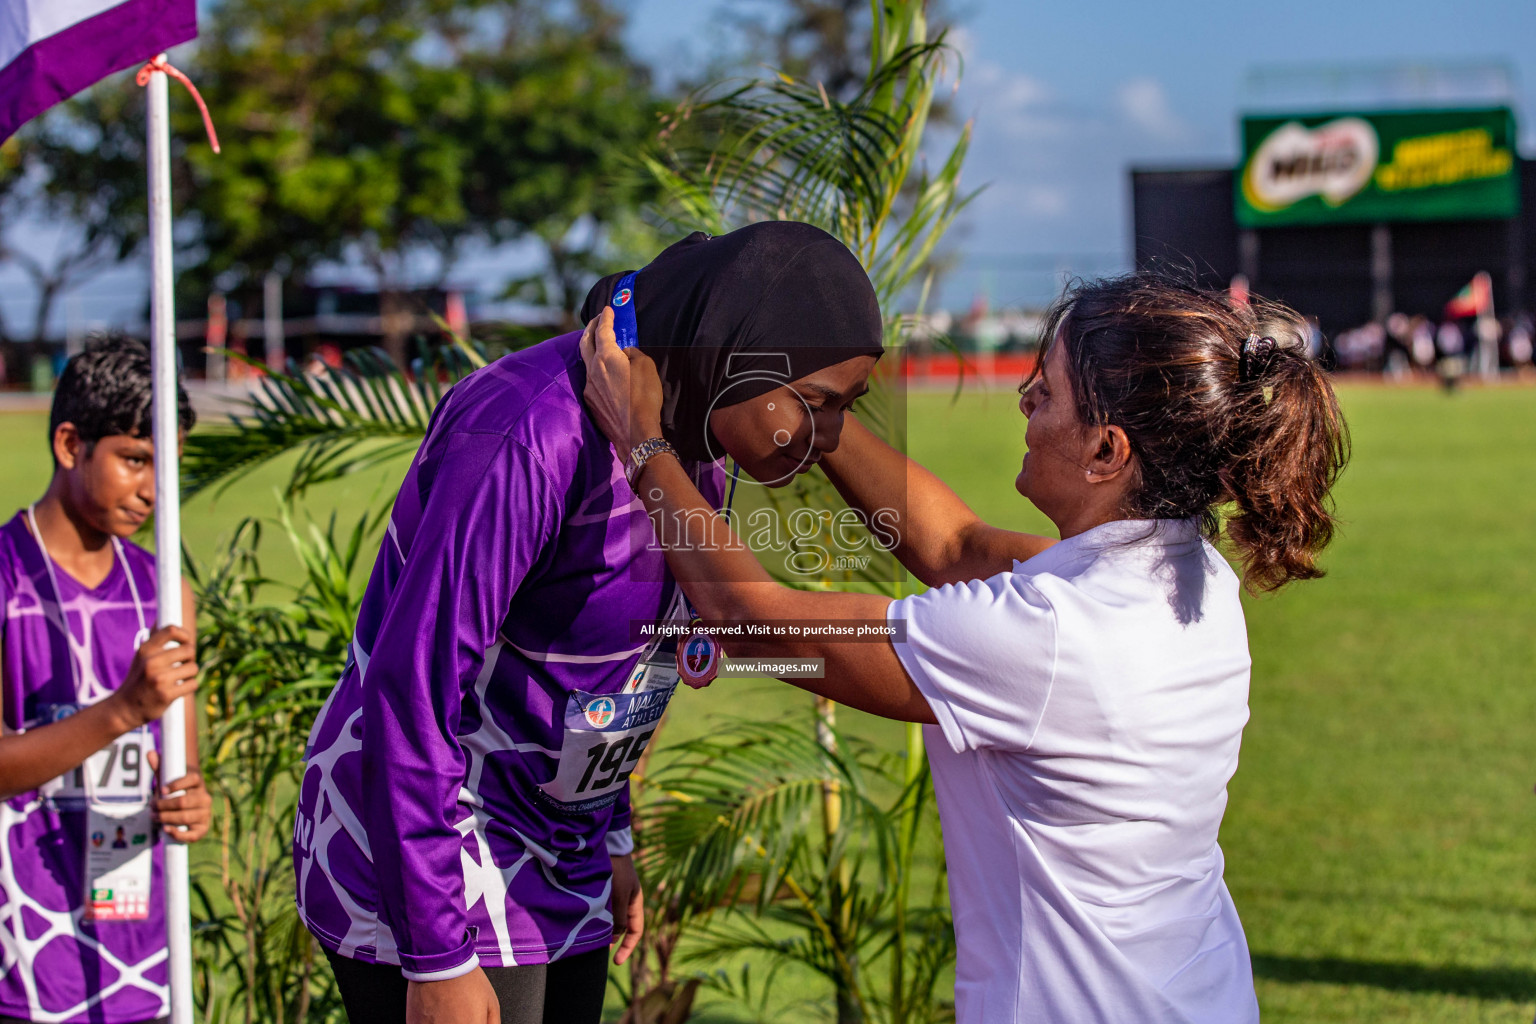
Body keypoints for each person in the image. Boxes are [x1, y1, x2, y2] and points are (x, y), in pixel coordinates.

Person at [581, 271, 1350, 1024]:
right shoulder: (1191, 574)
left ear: (1108, 452)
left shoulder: (1049, 635)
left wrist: (644, 440)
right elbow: (954, 545)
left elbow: (753, 622)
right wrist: (816, 416)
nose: (1024, 404)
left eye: (1044, 394)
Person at [292, 222, 886, 1024]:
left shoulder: (692, 441)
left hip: (559, 843)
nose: (831, 438)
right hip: (437, 845)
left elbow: (625, 665)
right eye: (814, 404)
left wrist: (610, 840)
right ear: (733, 350)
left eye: (850, 408)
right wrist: (435, 956)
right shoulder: (529, 431)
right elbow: (411, 688)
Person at [0, 336, 212, 1024]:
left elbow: (182, 769)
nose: (154, 490)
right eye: (134, 460)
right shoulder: (7, 581)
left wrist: (191, 803)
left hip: (139, 958)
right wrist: (122, 709)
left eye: (167, 468)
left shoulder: (164, 594)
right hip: (24, 960)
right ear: (70, 445)